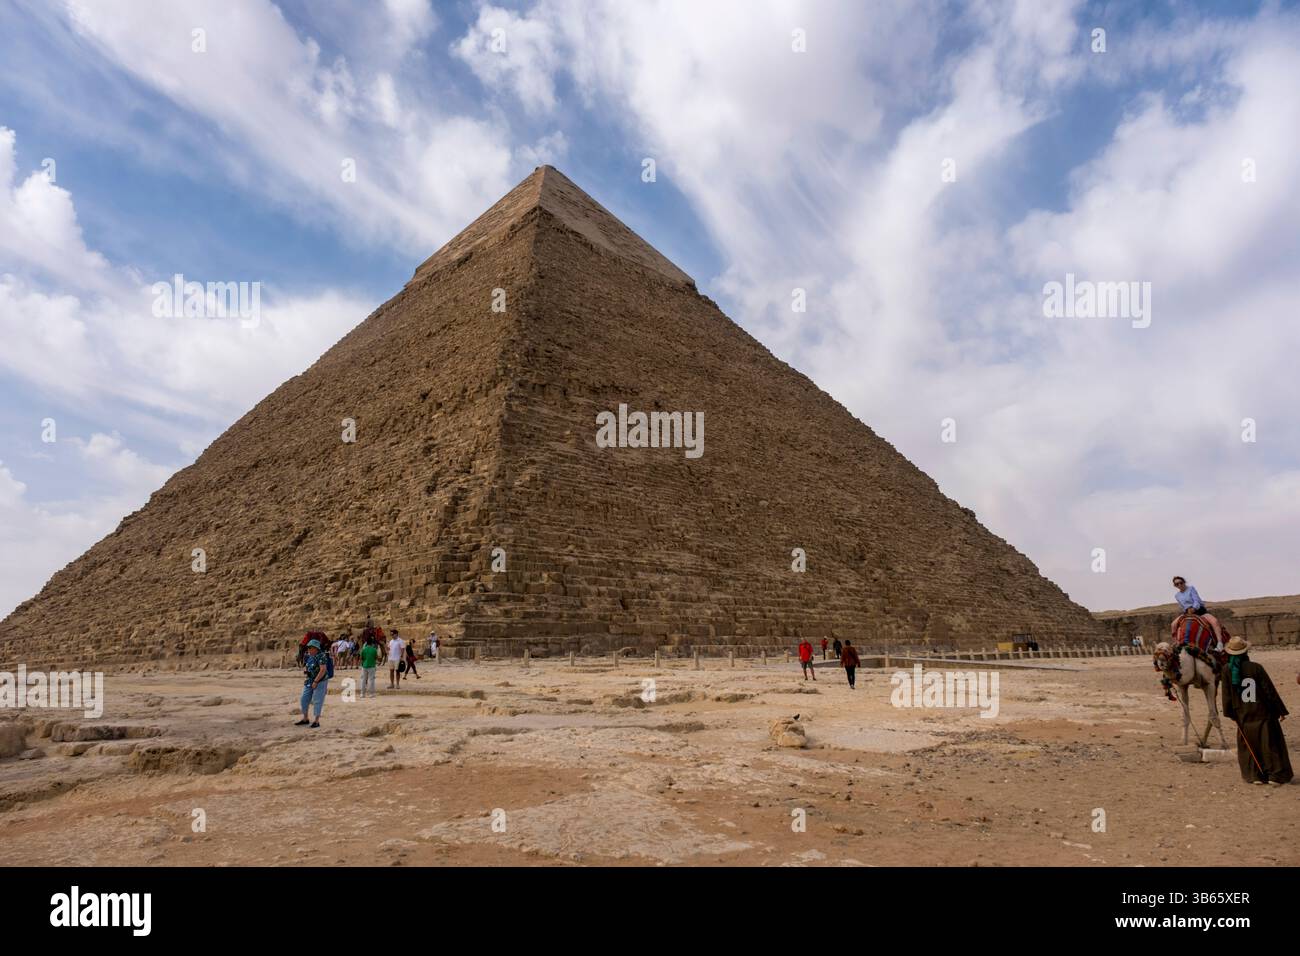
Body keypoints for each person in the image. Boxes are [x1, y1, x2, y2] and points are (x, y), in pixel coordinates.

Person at [1221, 637, 1292, 785]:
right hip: (1262, 712)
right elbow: (1269, 691)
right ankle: (1275, 775)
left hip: (1242, 714)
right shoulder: (1256, 668)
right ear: (1245, 652)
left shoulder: (1226, 670)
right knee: (1269, 743)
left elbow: (1226, 695)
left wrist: (1230, 713)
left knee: (1248, 745)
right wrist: (1280, 710)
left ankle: (1255, 776)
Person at [296, 638, 329, 728]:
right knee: (304, 699)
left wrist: (316, 681)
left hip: (320, 681)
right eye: (308, 648)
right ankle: (305, 718)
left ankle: (316, 721)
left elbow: (323, 670)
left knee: (317, 700)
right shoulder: (308, 655)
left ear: (316, 648)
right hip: (309, 680)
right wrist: (307, 672)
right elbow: (307, 666)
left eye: (311, 648)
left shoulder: (321, 656)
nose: (309, 649)